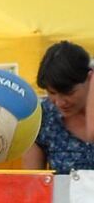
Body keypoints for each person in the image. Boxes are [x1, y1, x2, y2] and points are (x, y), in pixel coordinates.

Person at [22, 41, 94, 173]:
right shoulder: (43, 118)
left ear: (90, 78)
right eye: (52, 93)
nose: (59, 102)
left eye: (69, 93)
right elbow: (32, 182)